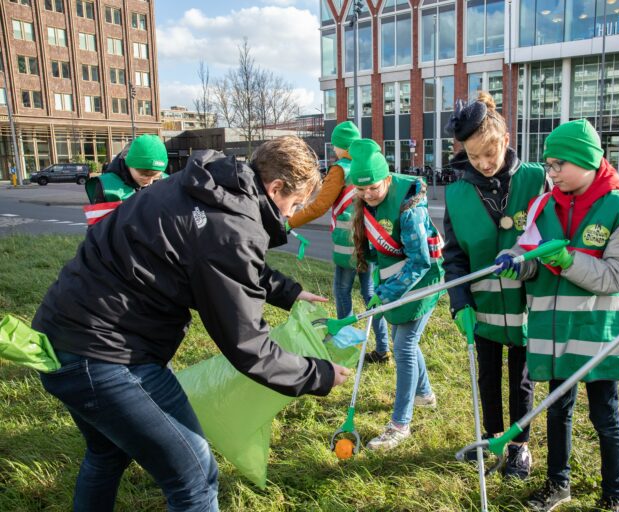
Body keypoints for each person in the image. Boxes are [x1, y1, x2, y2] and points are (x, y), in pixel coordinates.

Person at [32, 136, 351, 512]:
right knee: (196, 479)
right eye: (293, 204)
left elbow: (220, 261)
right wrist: (320, 374)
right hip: (109, 357)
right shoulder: (231, 225)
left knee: (108, 453)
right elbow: (247, 344)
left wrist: (288, 291)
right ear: (275, 187)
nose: (288, 215)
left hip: (60, 336)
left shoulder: (204, 186)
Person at [512, 119, 619, 512]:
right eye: (548, 165)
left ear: (588, 162)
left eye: (558, 166)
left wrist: (568, 261)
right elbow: (531, 258)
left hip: (597, 334)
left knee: (606, 415)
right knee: (558, 411)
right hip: (554, 333)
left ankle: (614, 495)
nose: (551, 174)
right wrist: (519, 262)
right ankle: (558, 483)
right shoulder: (543, 205)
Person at [442, 92, 547, 478]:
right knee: (487, 374)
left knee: (522, 378)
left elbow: (549, 234)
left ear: (505, 139)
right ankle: (493, 438)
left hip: (526, 302)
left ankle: (519, 446)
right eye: (473, 157)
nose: (484, 164)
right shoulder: (456, 194)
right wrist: (459, 302)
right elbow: (453, 256)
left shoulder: (537, 180)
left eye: (489, 152)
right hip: (483, 306)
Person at [347, 138, 444, 451]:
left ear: (387, 179)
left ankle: (400, 424)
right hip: (394, 282)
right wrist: (378, 283)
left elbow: (420, 260)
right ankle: (424, 394)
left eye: (374, 187)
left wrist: (385, 292)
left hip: (423, 278)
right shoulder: (364, 202)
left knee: (403, 345)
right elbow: (378, 251)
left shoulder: (409, 204)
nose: (368, 195)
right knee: (406, 340)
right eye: (361, 190)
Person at [286, 121, 390, 363]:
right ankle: (383, 348)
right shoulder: (364, 164)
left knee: (342, 291)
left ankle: (346, 345)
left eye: (334, 146)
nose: (333, 150)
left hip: (348, 244)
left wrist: (291, 221)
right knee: (370, 293)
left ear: (341, 146)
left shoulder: (339, 170)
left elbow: (320, 205)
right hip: (368, 240)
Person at [85, 134, 168, 205]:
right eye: (144, 176)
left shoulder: (167, 182)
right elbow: (99, 223)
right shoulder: (107, 187)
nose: (150, 182)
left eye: (155, 177)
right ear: (127, 162)